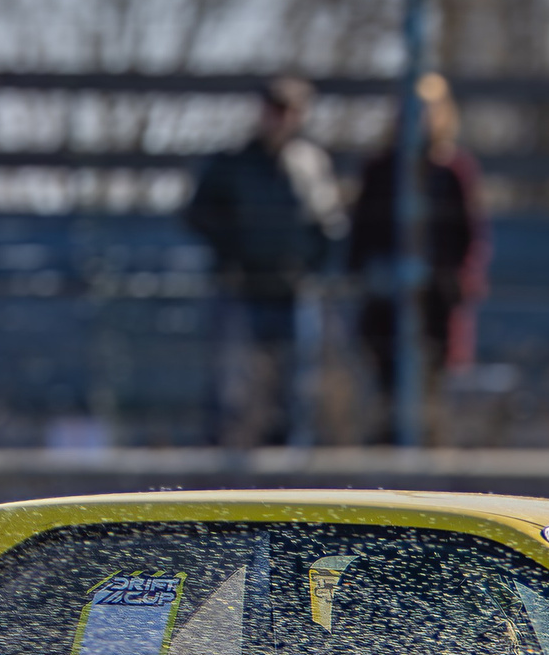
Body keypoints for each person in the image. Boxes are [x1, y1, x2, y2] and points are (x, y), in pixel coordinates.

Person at [183, 75, 345, 447]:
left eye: (290, 111)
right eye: (275, 109)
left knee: (297, 386)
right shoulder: (231, 164)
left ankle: (290, 461)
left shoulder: (310, 162)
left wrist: (314, 266)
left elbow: (330, 222)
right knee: (231, 385)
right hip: (241, 288)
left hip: (294, 289)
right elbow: (198, 215)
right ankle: (221, 460)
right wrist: (232, 254)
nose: (281, 119)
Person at [349, 73, 490, 434]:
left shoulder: (455, 171)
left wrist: (457, 284)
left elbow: (471, 238)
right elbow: (360, 235)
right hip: (385, 304)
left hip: (437, 308)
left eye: (427, 109)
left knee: (433, 404)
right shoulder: (380, 170)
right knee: (384, 401)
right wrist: (367, 275)